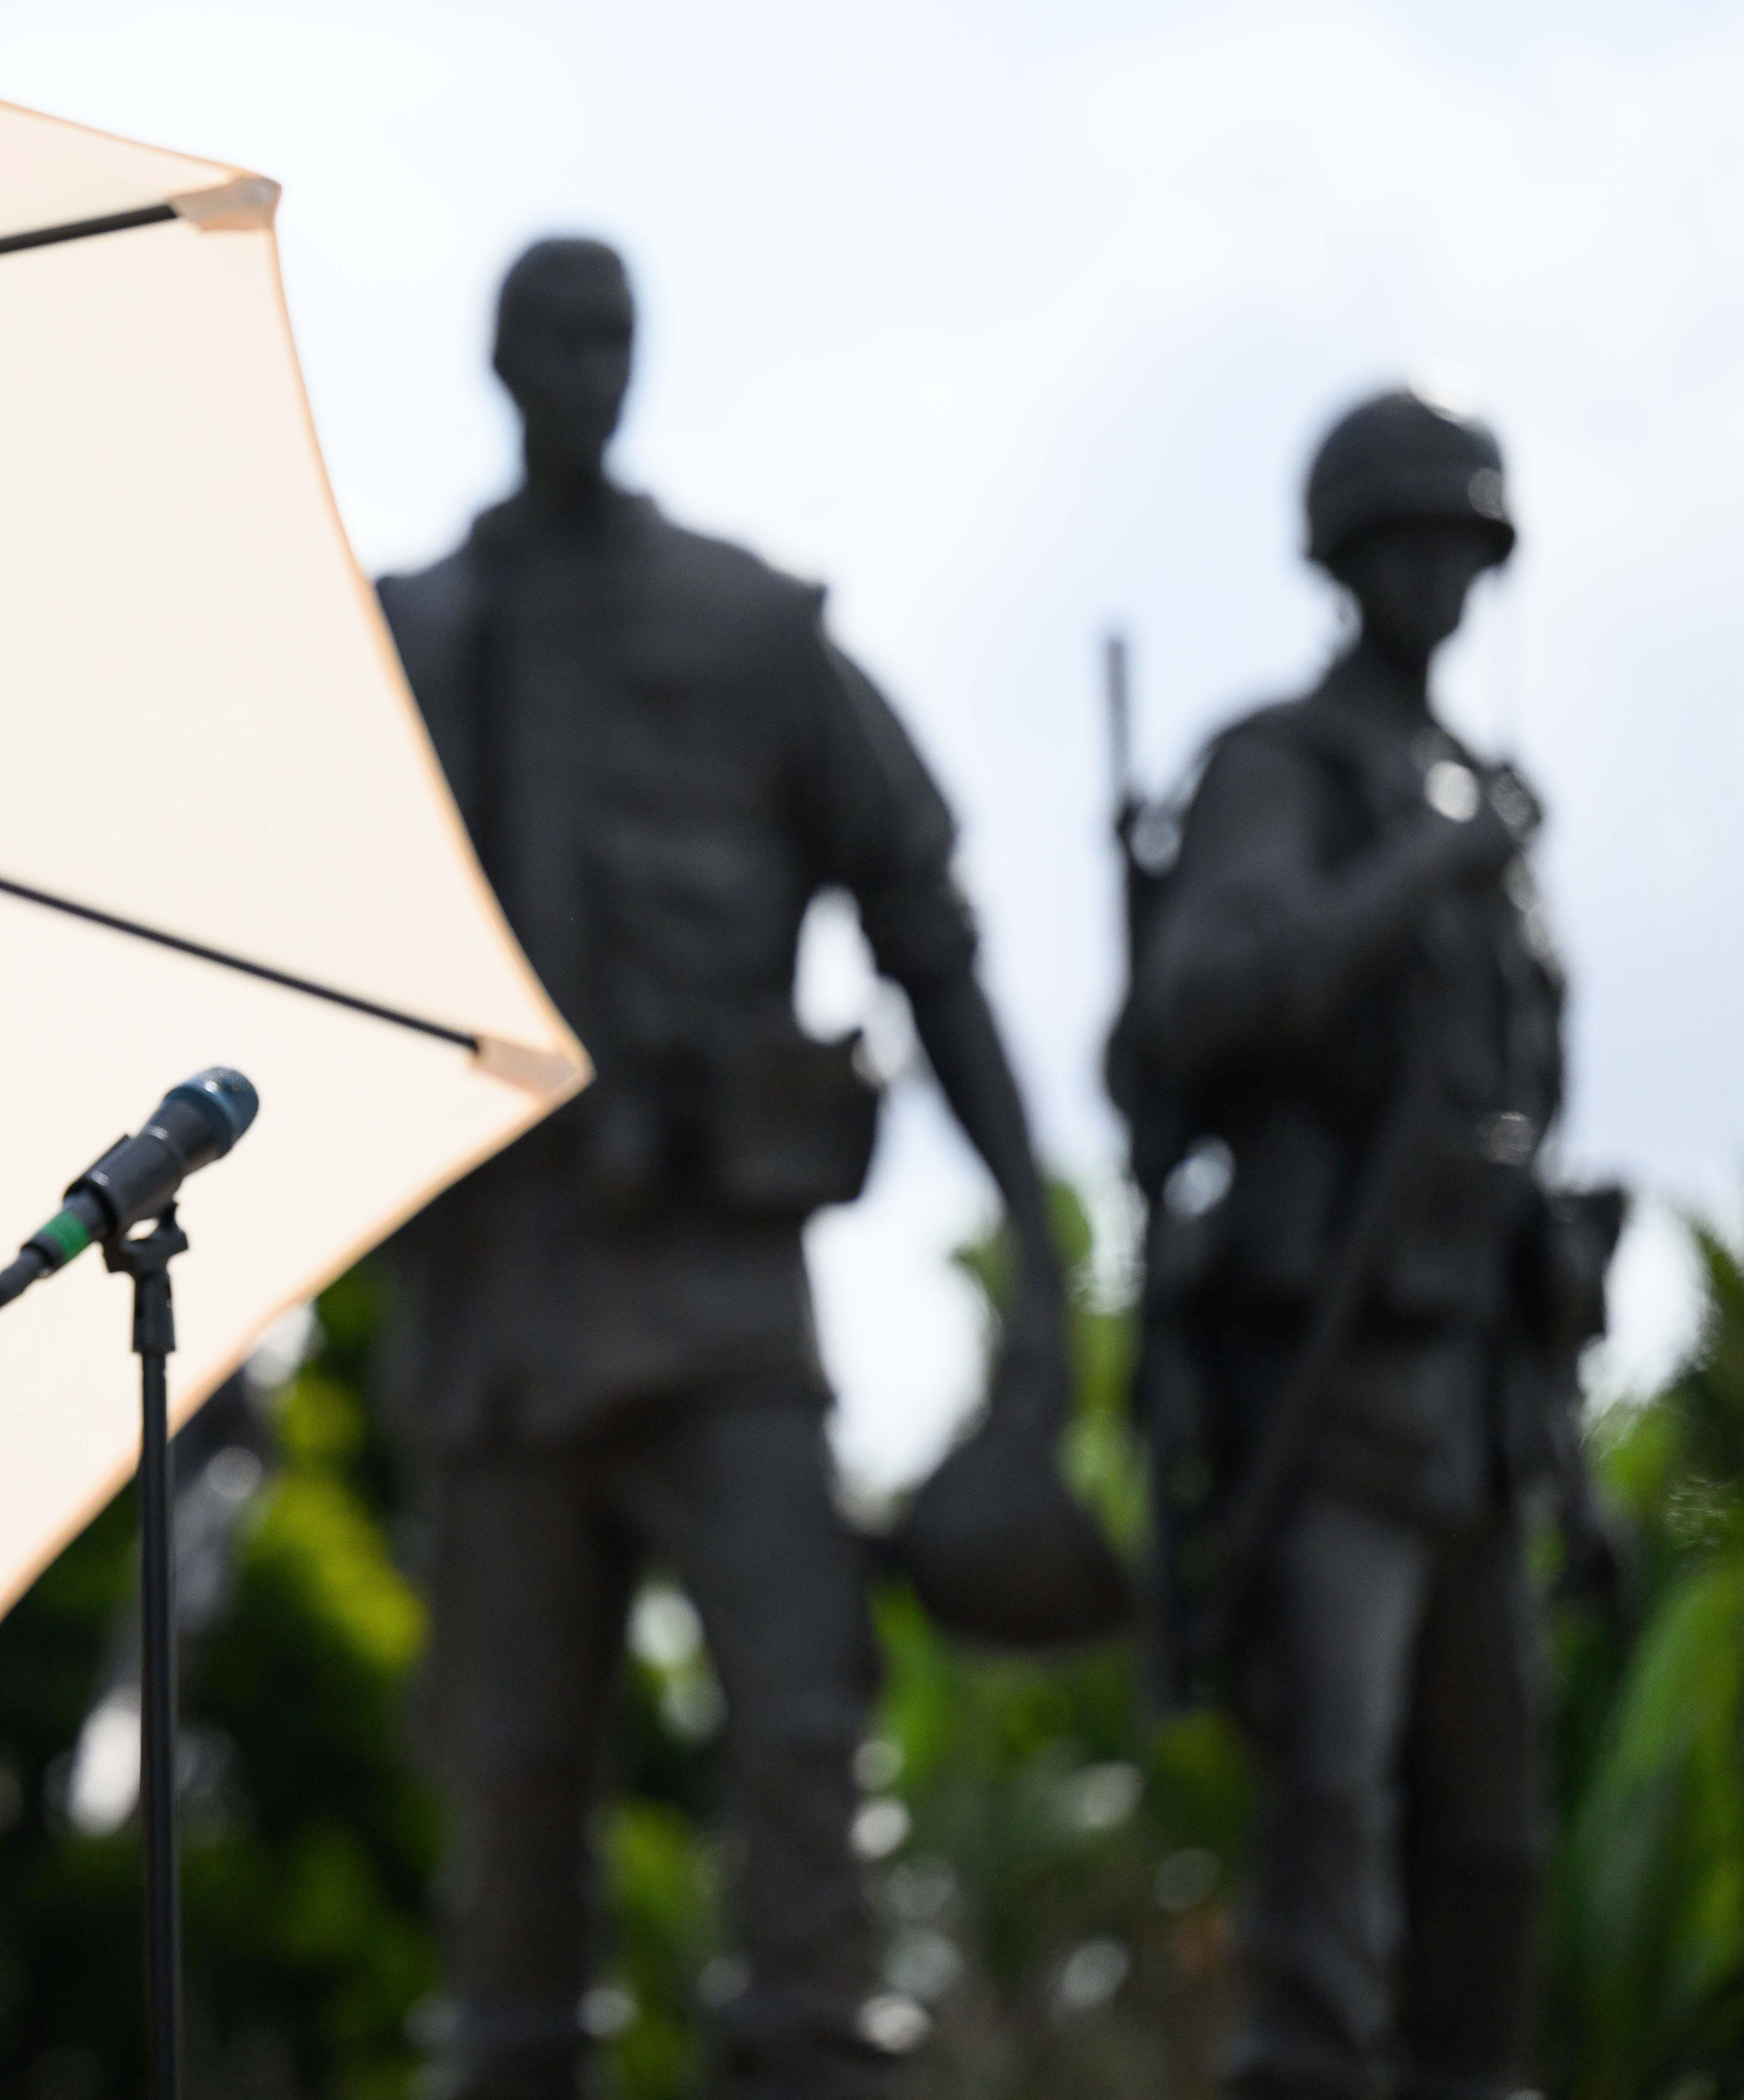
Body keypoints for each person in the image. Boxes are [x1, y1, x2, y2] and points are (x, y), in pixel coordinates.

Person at [373, 237, 1071, 2100]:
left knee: (798, 1710)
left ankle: (810, 2055)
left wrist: (1034, 1236)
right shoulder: (407, 638)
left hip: (713, 1288)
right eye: (553, 340)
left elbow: (929, 934)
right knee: (510, 1769)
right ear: (499, 363)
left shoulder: (753, 631)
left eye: (612, 338)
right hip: (502, 1302)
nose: (584, 371)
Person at [1117, 390, 1616, 2100]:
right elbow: (1205, 999)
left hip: (1483, 1379)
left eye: (1451, 545)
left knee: (1489, 1828)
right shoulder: (1285, 769)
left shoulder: (1483, 798)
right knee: (1327, 1793)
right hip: (1328, 1372)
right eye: (1397, 544)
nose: (1430, 576)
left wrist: (1571, 1448)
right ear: (1342, 562)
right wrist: (1420, 868)